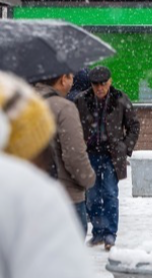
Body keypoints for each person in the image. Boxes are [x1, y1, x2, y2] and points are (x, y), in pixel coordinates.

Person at [0, 72, 92, 278]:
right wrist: (88, 179)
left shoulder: (31, 97)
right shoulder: (32, 197)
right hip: (69, 192)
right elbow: (75, 156)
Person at [74, 66, 140, 250]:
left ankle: (110, 233)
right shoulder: (82, 100)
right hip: (90, 154)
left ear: (109, 82)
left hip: (112, 155)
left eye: (103, 84)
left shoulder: (120, 99)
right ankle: (98, 232)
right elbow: (74, 126)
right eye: (96, 85)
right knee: (92, 196)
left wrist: (125, 147)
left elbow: (134, 125)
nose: (100, 88)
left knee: (110, 193)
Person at [35, 73, 96, 236]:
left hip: (33, 195)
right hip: (66, 195)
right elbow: (74, 156)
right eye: (70, 77)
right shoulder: (64, 108)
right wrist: (88, 178)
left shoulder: (25, 104)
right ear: (63, 79)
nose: (72, 82)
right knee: (68, 253)